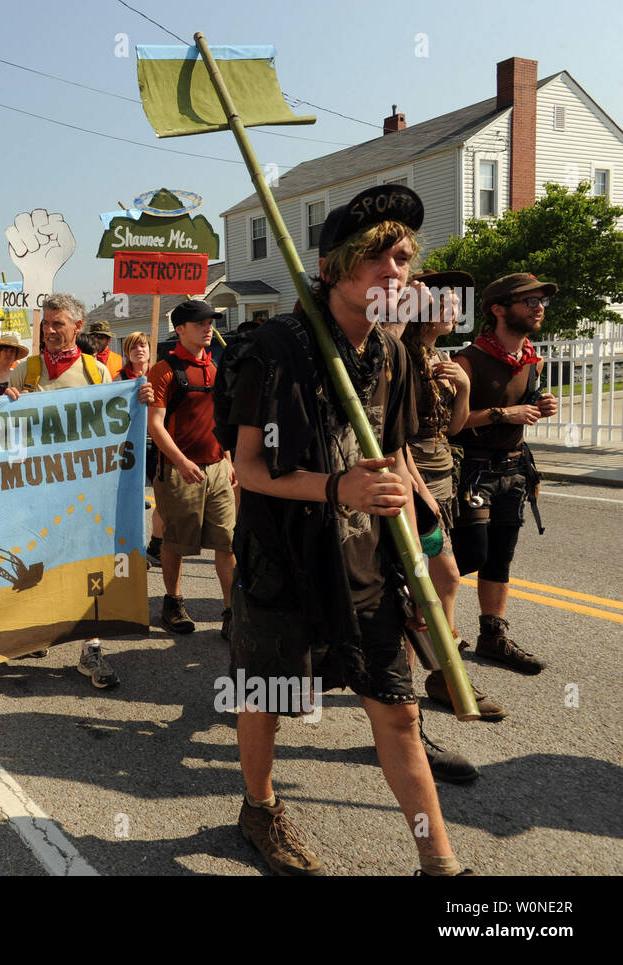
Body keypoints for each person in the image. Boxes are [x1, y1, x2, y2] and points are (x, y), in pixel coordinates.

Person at [220, 185, 471, 875]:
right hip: (283, 557)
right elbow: (248, 466)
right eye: (385, 258)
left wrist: (426, 548)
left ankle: (439, 864)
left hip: (364, 559)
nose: (401, 273)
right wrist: (336, 487)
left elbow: (396, 455)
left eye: (406, 260)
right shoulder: (276, 346)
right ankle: (259, 808)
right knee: (268, 698)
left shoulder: (391, 353)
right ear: (342, 266)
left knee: (397, 712)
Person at [396, 275, 506, 722]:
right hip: (411, 483)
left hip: (440, 481)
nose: (454, 308)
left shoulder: (438, 356)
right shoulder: (400, 357)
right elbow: (391, 436)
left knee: (441, 580)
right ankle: (409, 683)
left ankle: (437, 672)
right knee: (422, 583)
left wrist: (461, 387)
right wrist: (418, 491)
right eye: (445, 302)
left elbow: (454, 427)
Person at [3, 293, 121, 689]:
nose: (50, 330)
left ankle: (90, 647)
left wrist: (137, 399)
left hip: (83, 489)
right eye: (46, 324)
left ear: (77, 327)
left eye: (58, 324)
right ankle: (37, 632)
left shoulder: (96, 372)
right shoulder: (25, 369)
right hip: (35, 489)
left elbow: (114, 424)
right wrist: (7, 404)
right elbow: (6, 432)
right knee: (38, 563)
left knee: (86, 565)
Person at [450, 273, 558, 675]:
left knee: (500, 558)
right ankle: (418, 611)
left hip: (514, 469)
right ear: (498, 309)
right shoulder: (468, 360)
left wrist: (540, 404)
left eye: (541, 301)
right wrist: (502, 413)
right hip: (472, 472)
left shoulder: (533, 359)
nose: (538, 307)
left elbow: (524, 404)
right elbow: (449, 427)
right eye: (528, 300)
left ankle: (492, 635)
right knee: (469, 554)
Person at [147, 301, 237, 639]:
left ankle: (231, 612)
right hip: (178, 471)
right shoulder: (163, 370)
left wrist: (227, 458)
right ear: (180, 329)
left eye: (210, 322)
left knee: (227, 543)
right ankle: (172, 602)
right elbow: (155, 425)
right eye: (199, 323)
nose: (208, 328)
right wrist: (182, 462)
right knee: (175, 542)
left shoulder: (215, 368)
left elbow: (219, 420)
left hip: (217, 469)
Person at [117, 332, 165, 567]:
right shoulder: (119, 380)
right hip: (130, 445)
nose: (140, 350)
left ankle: (156, 544)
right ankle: (134, 549)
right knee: (133, 500)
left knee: (163, 496)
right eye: (133, 346)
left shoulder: (160, 375)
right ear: (127, 352)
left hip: (158, 441)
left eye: (143, 345)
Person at [0, 332, 29, 397]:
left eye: (12, 351)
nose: (8, 354)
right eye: (5, 350)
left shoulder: (19, 374)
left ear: (16, 356)